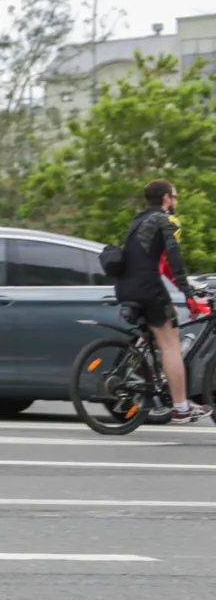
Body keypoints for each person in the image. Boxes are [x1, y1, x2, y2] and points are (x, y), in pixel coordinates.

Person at [112, 179, 208, 424]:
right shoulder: (165, 222)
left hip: (126, 288)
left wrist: (185, 287)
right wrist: (188, 292)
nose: (176, 201)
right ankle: (180, 407)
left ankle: (145, 374)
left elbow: (160, 264)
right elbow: (174, 262)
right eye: (174, 196)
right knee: (170, 345)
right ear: (166, 198)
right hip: (148, 288)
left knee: (161, 326)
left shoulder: (139, 220)